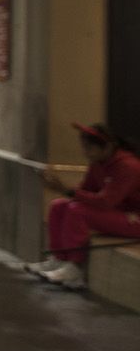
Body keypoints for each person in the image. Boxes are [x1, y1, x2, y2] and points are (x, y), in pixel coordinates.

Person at [26, 123, 140, 290]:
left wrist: (67, 190)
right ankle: (59, 259)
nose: (85, 152)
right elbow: (86, 191)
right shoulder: (98, 163)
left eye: (89, 148)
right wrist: (60, 188)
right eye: (84, 147)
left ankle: (75, 267)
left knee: (77, 211)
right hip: (118, 211)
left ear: (107, 147)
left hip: (134, 218)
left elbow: (106, 201)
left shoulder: (128, 166)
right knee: (59, 206)